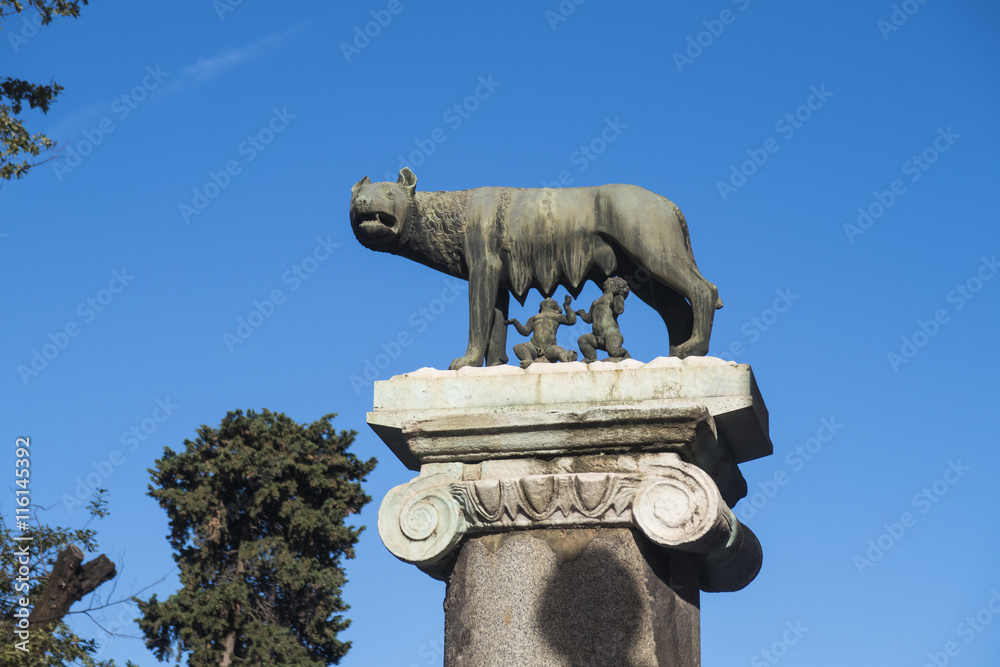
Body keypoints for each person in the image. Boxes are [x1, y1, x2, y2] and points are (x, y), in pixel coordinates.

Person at [504, 295, 578, 368]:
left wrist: (566, 305)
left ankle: (567, 358)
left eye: (550, 300)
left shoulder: (556, 316)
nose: (548, 299)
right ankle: (528, 359)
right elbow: (525, 332)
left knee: (559, 351)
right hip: (534, 348)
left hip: (550, 347)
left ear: (556, 308)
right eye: (546, 300)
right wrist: (515, 322)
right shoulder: (534, 318)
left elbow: (571, 320)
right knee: (518, 347)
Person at [577, 277, 631, 363]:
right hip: (596, 337)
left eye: (610, 281)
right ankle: (591, 358)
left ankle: (625, 354)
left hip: (611, 334)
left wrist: (619, 295)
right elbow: (589, 319)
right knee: (582, 340)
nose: (608, 280)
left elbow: (619, 310)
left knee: (614, 352)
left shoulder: (615, 297)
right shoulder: (596, 302)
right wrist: (582, 313)